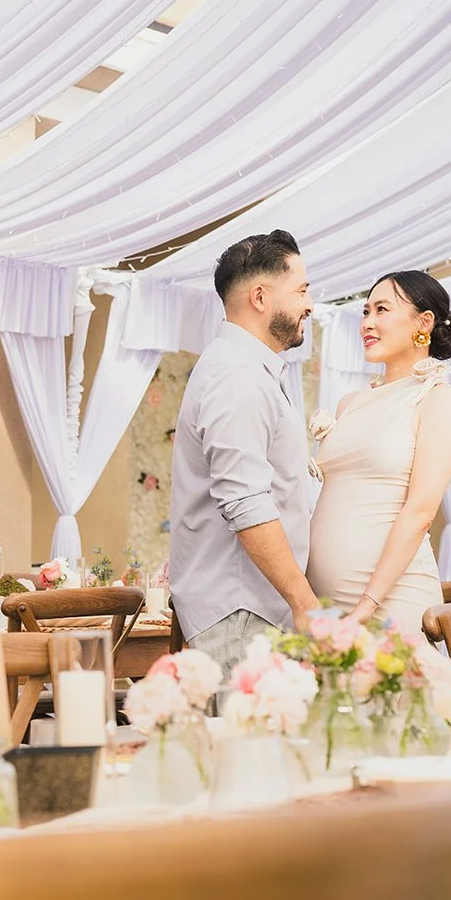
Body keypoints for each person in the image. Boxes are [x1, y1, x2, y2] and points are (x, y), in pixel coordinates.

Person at [169, 230, 317, 670]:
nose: (309, 304)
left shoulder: (249, 369)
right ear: (260, 297)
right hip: (240, 614)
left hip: (253, 610)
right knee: (246, 739)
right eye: (301, 290)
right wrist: (303, 600)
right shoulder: (236, 375)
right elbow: (245, 501)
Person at [306, 270, 451, 634]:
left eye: (382, 310)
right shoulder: (349, 402)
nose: (368, 322)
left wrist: (367, 605)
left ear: (423, 322)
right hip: (326, 605)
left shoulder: (439, 399)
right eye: (365, 312)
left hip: (390, 602)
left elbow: (421, 510)